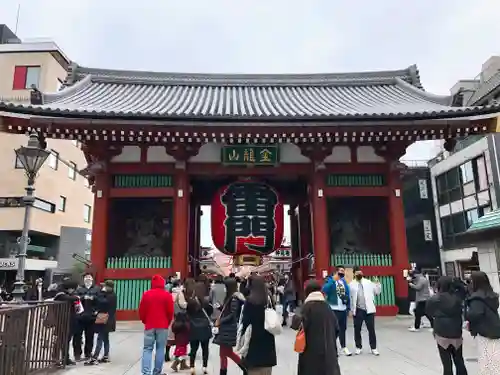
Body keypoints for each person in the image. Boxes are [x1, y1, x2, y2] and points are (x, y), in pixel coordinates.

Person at [292, 280, 341, 375]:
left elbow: (295, 324)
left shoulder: (306, 308)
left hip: (310, 353)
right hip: (329, 354)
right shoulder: (328, 307)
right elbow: (337, 328)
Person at [426, 276, 468, 375]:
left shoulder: (433, 299)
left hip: (441, 330)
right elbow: (465, 289)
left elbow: (429, 312)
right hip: (456, 330)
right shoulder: (458, 297)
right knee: (459, 359)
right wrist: (457, 282)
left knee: (446, 363)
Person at [240, 275, 277, 375]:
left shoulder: (249, 302)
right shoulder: (268, 300)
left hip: (253, 344)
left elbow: (245, 323)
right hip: (268, 344)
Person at [139, 274, 175, 375]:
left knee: (147, 349)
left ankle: (146, 372)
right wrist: (167, 322)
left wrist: (144, 320)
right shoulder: (167, 295)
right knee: (160, 349)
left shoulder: (146, 294)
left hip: (149, 325)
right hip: (162, 326)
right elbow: (170, 312)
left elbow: (142, 311)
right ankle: (157, 372)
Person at [466, 271, 500, 375]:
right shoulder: (492, 295)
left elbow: (475, 314)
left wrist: (466, 315)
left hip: (483, 331)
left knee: (485, 359)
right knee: (495, 357)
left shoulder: (477, 298)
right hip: (495, 328)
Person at [213, 277, 246, 374]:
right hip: (227, 328)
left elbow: (232, 315)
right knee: (225, 353)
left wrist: (220, 321)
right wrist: (221, 308)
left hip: (228, 328)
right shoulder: (230, 297)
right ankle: (243, 367)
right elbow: (229, 311)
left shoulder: (234, 299)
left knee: (225, 353)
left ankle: (244, 367)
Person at [349, 266, 381, 355]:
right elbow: (350, 298)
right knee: (357, 329)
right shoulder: (351, 284)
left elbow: (377, 292)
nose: (359, 274)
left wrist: (377, 283)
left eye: (360, 273)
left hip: (369, 309)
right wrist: (351, 310)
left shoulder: (368, 282)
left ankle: (373, 348)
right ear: (354, 274)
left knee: (371, 329)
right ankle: (358, 347)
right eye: (357, 273)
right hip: (358, 309)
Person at [84, 280, 117, 365]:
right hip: (107, 318)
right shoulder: (110, 294)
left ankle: (95, 357)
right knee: (105, 338)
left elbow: (103, 302)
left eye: (105, 286)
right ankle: (106, 356)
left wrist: (98, 295)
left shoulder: (111, 296)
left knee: (100, 338)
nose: (103, 288)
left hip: (104, 317)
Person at [185, 278, 213, 374]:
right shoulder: (206, 301)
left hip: (193, 327)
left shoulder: (191, 302)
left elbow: (187, 313)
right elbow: (210, 312)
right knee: (205, 348)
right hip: (204, 327)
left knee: (193, 348)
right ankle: (204, 367)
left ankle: (192, 367)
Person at [322, 265, 351, 356]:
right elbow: (325, 289)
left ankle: (343, 347)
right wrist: (333, 280)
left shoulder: (343, 282)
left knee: (343, 328)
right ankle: (332, 348)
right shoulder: (330, 280)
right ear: (336, 272)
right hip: (333, 309)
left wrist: (348, 307)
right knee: (333, 329)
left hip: (343, 309)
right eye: (341, 271)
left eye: (343, 271)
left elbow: (347, 294)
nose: (342, 273)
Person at [52, 279, 81, 367]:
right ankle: (56, 358)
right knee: (61, 341)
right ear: (70, 288)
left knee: (66, 341)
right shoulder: (60, 294)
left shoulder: (66, 293)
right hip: (62, 321)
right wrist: (77, 297)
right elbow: (70, 298)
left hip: (68, 321)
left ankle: (65, 358)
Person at [74, 273, 100, 361]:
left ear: (92, 279)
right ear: (84, 279)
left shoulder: (96, 289)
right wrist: (83, 297)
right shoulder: (79, 288)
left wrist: (93, 298)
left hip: (91, 316)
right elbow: (76, 298)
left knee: (90, 336)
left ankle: (88, 353)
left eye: (89, 277)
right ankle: (77, 354)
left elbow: (100, 299)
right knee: (77, 336)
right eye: (86, 278)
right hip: (80, 316)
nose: (88, 279)